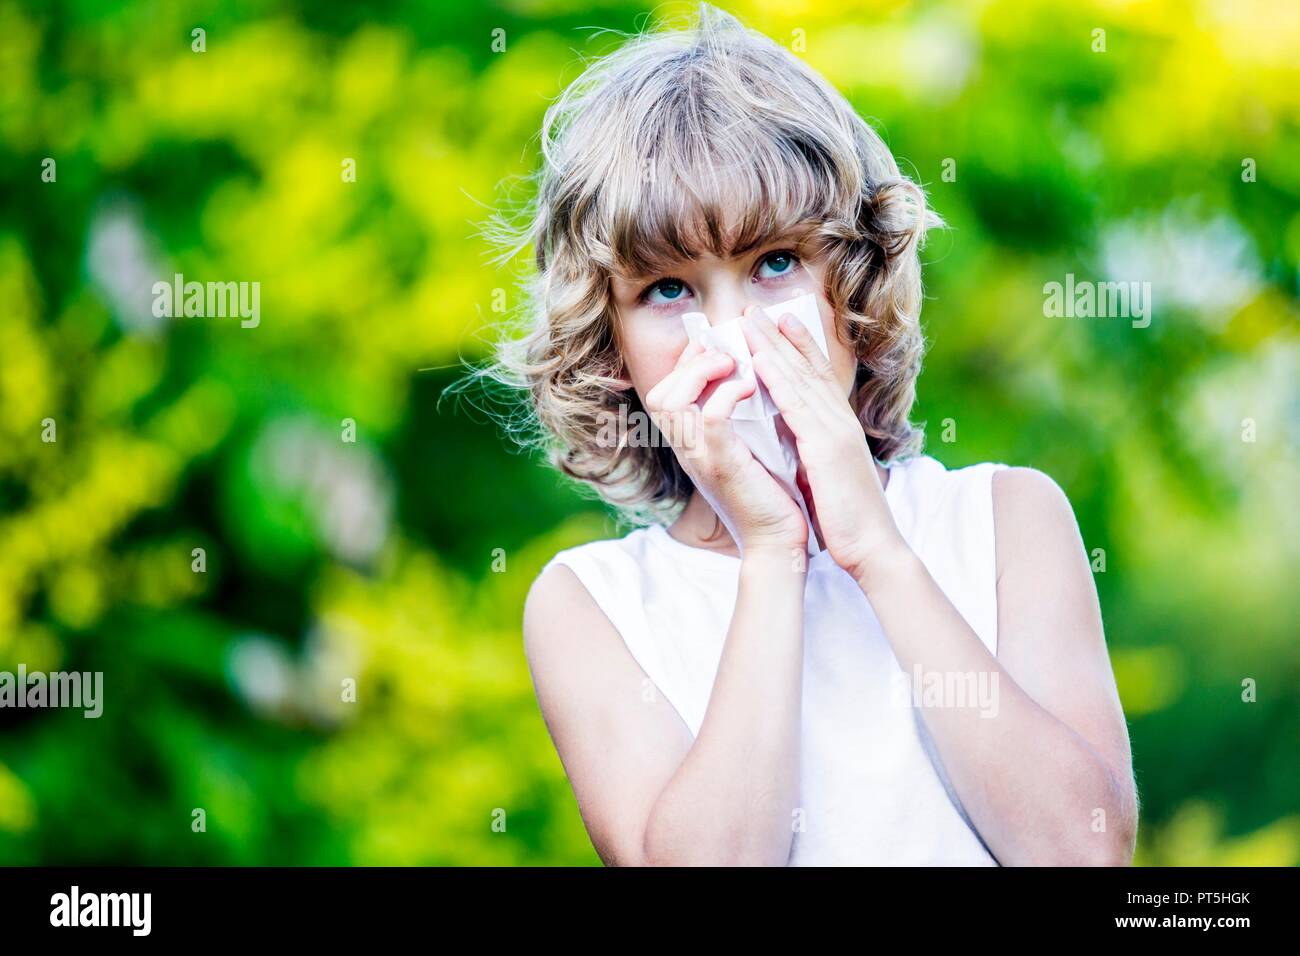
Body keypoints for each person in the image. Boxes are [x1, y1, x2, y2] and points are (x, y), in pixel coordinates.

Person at [482, 3, 1137, 865]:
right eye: (669, 290)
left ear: (855, 287)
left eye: (776, 265)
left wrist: (875, 550)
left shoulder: (1004, 522)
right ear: (611, 348)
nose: (734, 333)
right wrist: (772, 550)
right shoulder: (593, 605)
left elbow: (1081, 852)